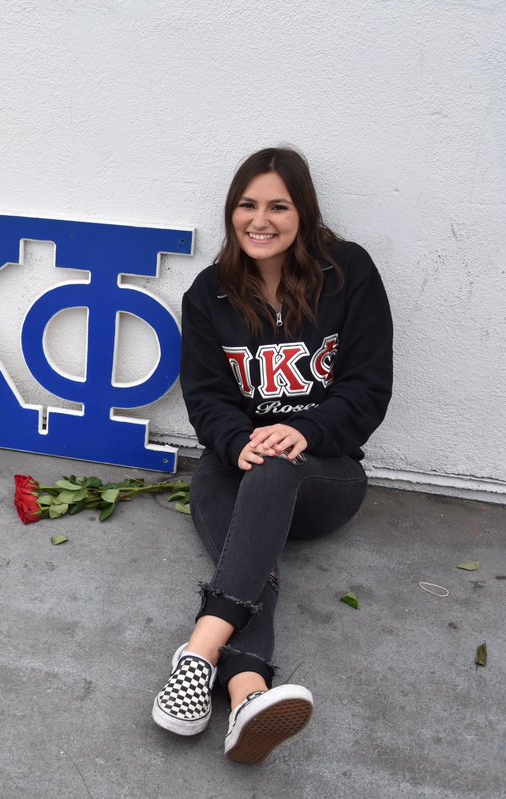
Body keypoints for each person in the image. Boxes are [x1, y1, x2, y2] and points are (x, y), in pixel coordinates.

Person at [151, 148, 393, 764]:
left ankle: (199, 651)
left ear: (303, 212)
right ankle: (247, 694)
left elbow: (368, 386)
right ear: (232, 213)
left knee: (277, 469)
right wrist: (238, 443)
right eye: (247, 205)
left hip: (324, 474)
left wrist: (304, 431)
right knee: (249, 534)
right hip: (235, 466)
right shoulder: (211, 294)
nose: (260, 220)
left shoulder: (349, 274)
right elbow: (206, 399)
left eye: (278, 206)